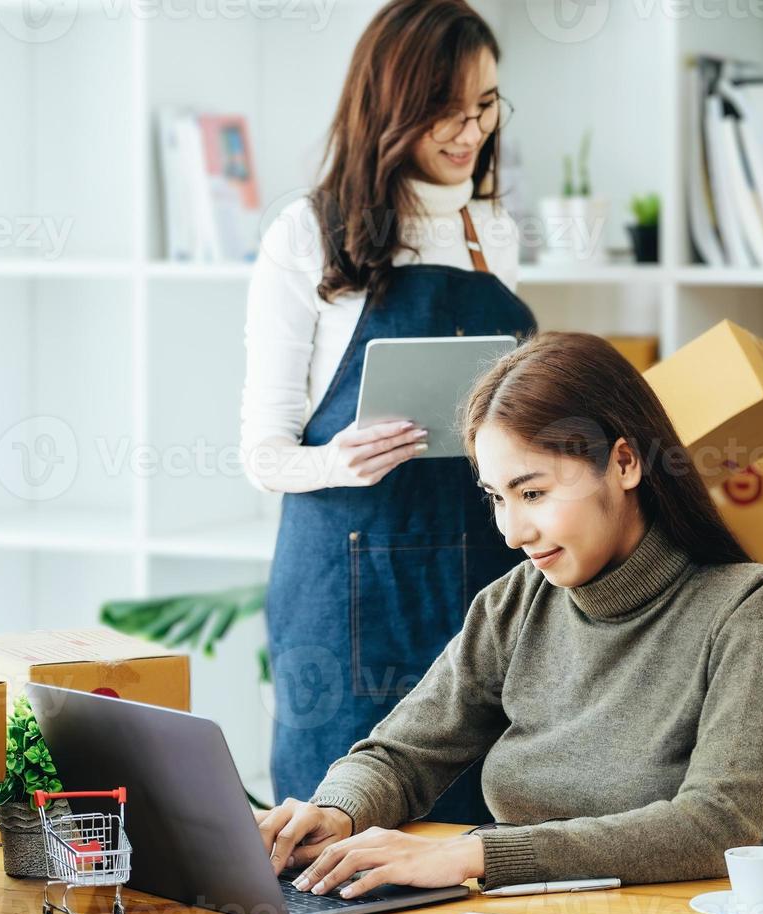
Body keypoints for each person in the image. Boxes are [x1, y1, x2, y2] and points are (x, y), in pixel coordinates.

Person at [255, 332, 763, 897]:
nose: (512, 532)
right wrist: (337, 811)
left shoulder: (756, 608)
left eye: (533, 494)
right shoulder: (515, 603)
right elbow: (402, 755)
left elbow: (718, 826)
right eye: (497, 497)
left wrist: (473, 854)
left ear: (623, 463)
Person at [240, 0, 534, 825]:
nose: (470, 130)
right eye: (448, 109)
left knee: (475, 841)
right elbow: (263, 455)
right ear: (392, 104)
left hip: (480, 579)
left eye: (485, 106)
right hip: (345, 588)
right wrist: (342, 457)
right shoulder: (307, 235)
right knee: (329, 838)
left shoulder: (491, 232)